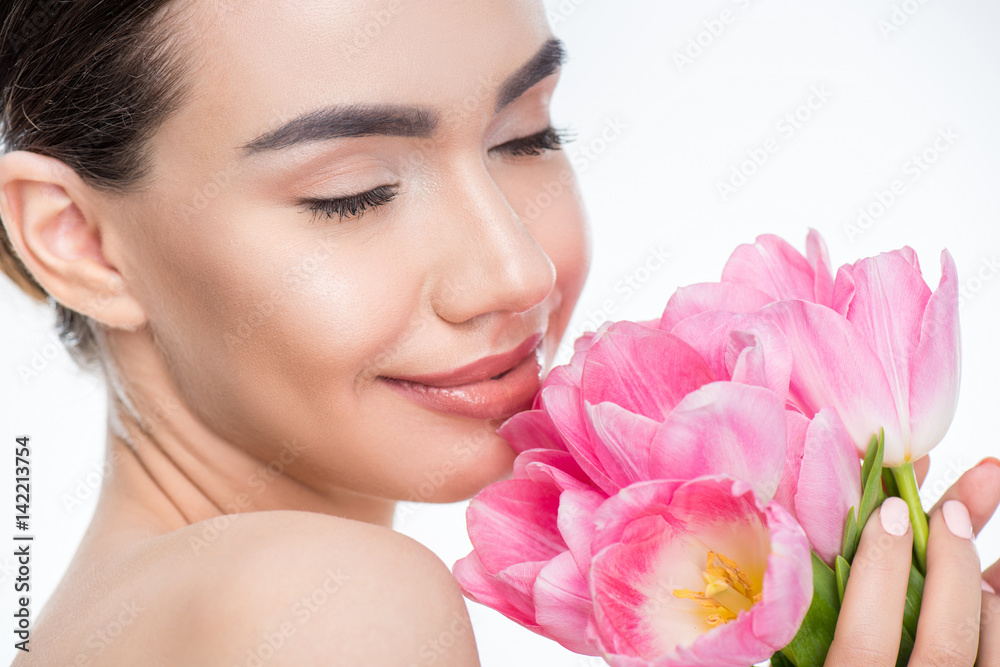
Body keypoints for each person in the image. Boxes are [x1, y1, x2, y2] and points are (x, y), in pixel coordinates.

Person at [0, 1, 996, 665]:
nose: (516, 271)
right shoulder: (328, 602)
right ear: (77, 238)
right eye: (354, 192)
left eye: (526, 135)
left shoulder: (100, 622)